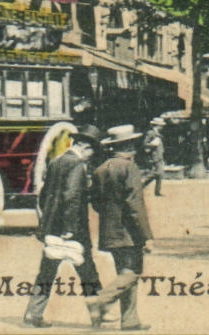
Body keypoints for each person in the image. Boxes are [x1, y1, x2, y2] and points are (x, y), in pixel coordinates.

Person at [24, 126, 104, 328]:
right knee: (88, 272)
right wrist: (70, 228)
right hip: (73, 230)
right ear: (85, 147)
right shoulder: (76, 165)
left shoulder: (56, 161)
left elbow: (44, 196)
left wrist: (49, 220)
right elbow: (72, 197)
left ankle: (33, 313)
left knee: (46, 272)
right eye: (92, 150)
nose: (92, 155)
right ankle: (99, 316)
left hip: (52, 228)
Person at [88, 125, 154, 330]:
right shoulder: (129, 168)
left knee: (124, 272)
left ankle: (130, 320)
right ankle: (100, 301)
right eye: (132, 144)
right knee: (132, 272)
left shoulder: (100, 169)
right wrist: (146, 235)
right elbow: (135, 205)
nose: (134, 149)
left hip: (109, 231)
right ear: (128, 145)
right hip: (129, 232)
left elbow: (96, 202)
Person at [139, 122, 165, 197]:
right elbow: (144, 144)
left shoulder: (158, 134)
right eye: (161, 125)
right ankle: (142, 185)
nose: (162, 127)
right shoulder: (151, 133)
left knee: (160, 174)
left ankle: (157, 192)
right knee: (157, 173)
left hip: (159, 156)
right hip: (154, 156)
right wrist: (153, 144)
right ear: (156, 125)